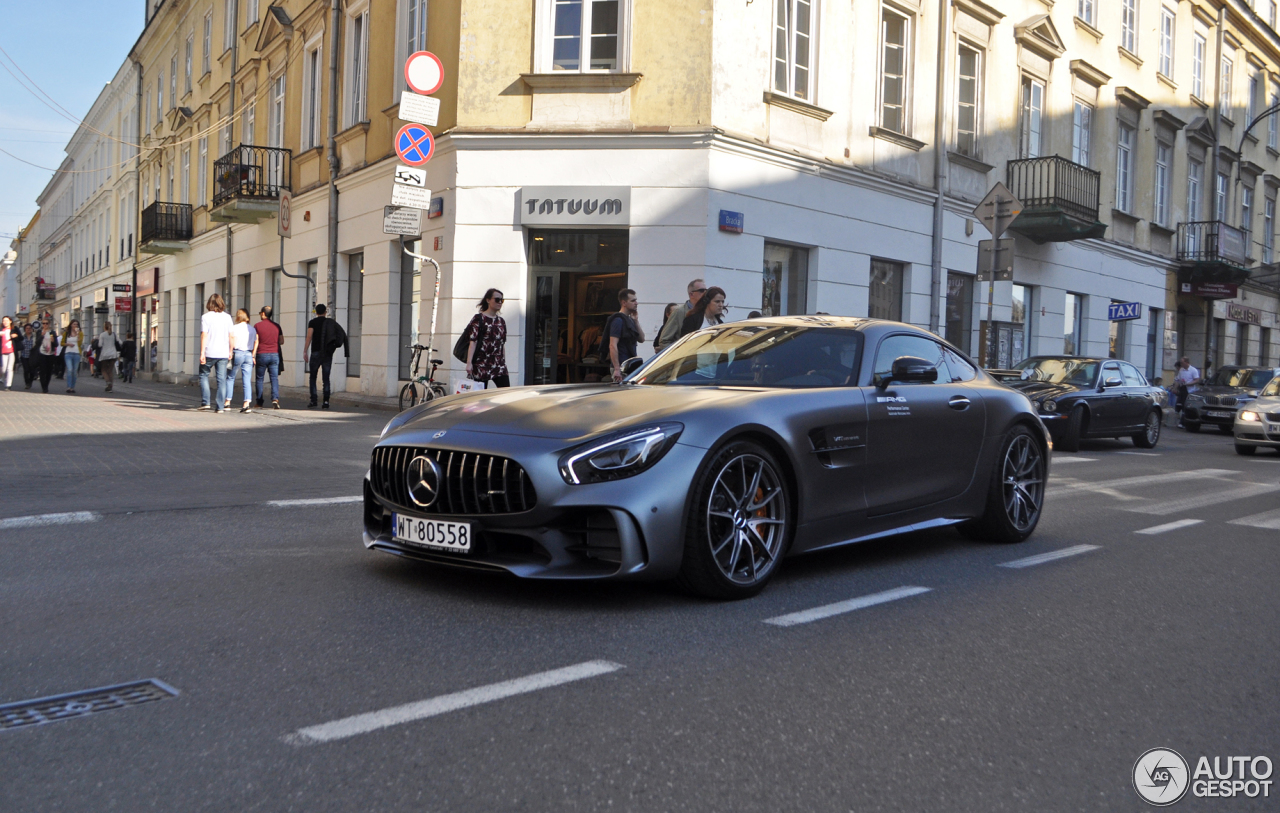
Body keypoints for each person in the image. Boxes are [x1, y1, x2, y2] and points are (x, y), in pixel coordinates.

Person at [464, 288, 510, 389]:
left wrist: (503, 362)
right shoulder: (479, 319)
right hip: (481, 363)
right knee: (481, 396)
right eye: (497, 300)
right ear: (488, 300)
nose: (500, 303)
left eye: (501, 300)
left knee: (505, 391)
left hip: (498, 364)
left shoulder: (501, 321)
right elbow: (473, 342)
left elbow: (502, 343)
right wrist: (469, 363)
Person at [305, 303, 347, 409]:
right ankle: (326, 401)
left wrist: (305, 351)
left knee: (313, 377)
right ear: (325, 312)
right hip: (327, 352)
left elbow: (309, 336)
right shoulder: (330, 323)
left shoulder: (313, 322)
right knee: (326, 378)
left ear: (316, 312)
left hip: (315, 352)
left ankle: (313, 400)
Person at [199, 293, 234, 412]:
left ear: (209, 304)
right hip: (223, 353)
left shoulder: (206, 317)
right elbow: (231, 336)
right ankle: (220, 407)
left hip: (209, 351)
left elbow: (204, 334)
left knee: (203, 375)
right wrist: (231, 351)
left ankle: (206, 402)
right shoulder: (227, 317)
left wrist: (202, 352)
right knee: (221, 380)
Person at [657, 279, 707, 350]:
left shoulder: (707, 311)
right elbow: (664, 340)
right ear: (691, 294)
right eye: (701, 291)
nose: (705, 293)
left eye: (706, 291)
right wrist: (677, 355)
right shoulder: (679, 312)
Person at [607, 288, 645, 382]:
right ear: (624, 303)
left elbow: (641, 339)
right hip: (621, 368)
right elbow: (612, 345)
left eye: (636, 300)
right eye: (633, 300)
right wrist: (617, 369)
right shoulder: (618, 320)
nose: (636, 303)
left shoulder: (630, 320)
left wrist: (636, 321)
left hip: (630, 366)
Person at [226, 309, 257, 412]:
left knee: (231, 377)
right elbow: (256, 342)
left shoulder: (234, 328)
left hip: (237, 353)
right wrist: (253, 355)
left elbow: (233, 343)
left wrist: (230, 352)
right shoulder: (252, 329)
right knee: (246, 380)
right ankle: (246, 403)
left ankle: (227, 402)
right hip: (248, 354)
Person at [253, 305, 283, 409]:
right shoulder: (277, 326)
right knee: (274, 378)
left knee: (260, 379)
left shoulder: (257, 326)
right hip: (274, 354)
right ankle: (275, 399)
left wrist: (253, 354)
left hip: (262, 354)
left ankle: (259, 402)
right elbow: (282, 341)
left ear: (263, 313)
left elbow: (256, 341)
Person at [1173, 356, 1201, 427]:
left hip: (1189, 390)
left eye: (1182, 363)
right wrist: (1175, 388)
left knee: (1186, 405)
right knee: (1180, 404)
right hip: (1182, 388)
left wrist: (1189, 383)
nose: (1181, 364)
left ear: (1187, 362)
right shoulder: (1181, 370)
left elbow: (1197, 380)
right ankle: (1180, 420)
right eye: (1181, 363)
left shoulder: (1193, 370)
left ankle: (1183, 422)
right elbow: (1178, 380)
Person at [95, 320, 120, 393]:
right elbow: (120, 342)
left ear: (104, 327)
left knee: (103, 369)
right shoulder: (114, 334)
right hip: (113, 354)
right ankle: (111, 386)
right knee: (110, 370)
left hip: (105, 354)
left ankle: (108, 383)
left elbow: (100, 345)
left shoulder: (102, 335)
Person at [34, 321, 59, 393]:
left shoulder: (52, 332)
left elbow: (56, 344)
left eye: (46, 323)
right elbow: (37, 343)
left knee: (49, 371)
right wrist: (42, 336)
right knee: (42, 371)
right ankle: (43, 387)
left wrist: (53, 341)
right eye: (43, 323)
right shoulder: (39, 332)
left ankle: (46, 385)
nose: (45, 325)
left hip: (50, 354)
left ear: (49, 324)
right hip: (42, 353)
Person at [61, 319, 84, 393]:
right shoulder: (66, 333)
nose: (75, 326)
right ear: (71, 325)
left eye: (77, 324)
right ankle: (68, 386)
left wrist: (78, 336)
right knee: (70, 369)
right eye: (74, 324)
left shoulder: (80, 333)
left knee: (74, 371)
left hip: (76, 353)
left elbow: (80, 344)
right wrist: (68, 344)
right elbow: (62, 343)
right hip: (68, 353)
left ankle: (72, 387)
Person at [1, 316, 19, 390]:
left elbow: (21, 337)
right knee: (3, 369)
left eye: (7, 320)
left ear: (10, 321)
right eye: (4, 321)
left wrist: (16, 335)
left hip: (11, 351)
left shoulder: (14, 329)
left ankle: (8, 385)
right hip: (3, 351)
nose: (5, 322)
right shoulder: (1, 330)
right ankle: (5, 380)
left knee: (9, 368)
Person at [20, 324, 36, 389]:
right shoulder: (22, 336)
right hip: (24, 355)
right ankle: (27, 383)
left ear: (32, 329)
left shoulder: (34, 336)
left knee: (32, 370)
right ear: (25, 329)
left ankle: (30, 381)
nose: (28, 329)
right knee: (26, 370)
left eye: (29, 328)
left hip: (32, 356)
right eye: (27, 328)